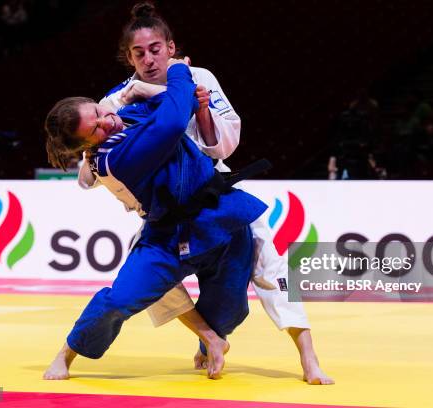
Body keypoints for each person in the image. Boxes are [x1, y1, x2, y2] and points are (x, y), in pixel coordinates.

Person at [86, 2, 332, 385]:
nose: (149, 59)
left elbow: (223, 145)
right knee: (150, 279)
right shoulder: (115, 100)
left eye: (155, 49)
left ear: (171, 47)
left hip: (215, 197)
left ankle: (308, 357)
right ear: (128, 56)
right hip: (163, 211)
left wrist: (200, 110)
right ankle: (209, 337)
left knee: (269, 263)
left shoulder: (198, 76)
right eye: (139, 53)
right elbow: (102, 162)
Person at [43, 60, 267, 380]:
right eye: (95, 129)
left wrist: (159, 92)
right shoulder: (113, 159)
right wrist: (177, 70)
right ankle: (68, 352)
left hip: (220, 214)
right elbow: (173, 121)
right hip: (167, 235)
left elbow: (182, 102)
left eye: (98, 110)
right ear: (86, 146)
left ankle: (211, 344)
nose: (106, 119)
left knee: (231, 304)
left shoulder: (128, 115)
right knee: (121, 299)